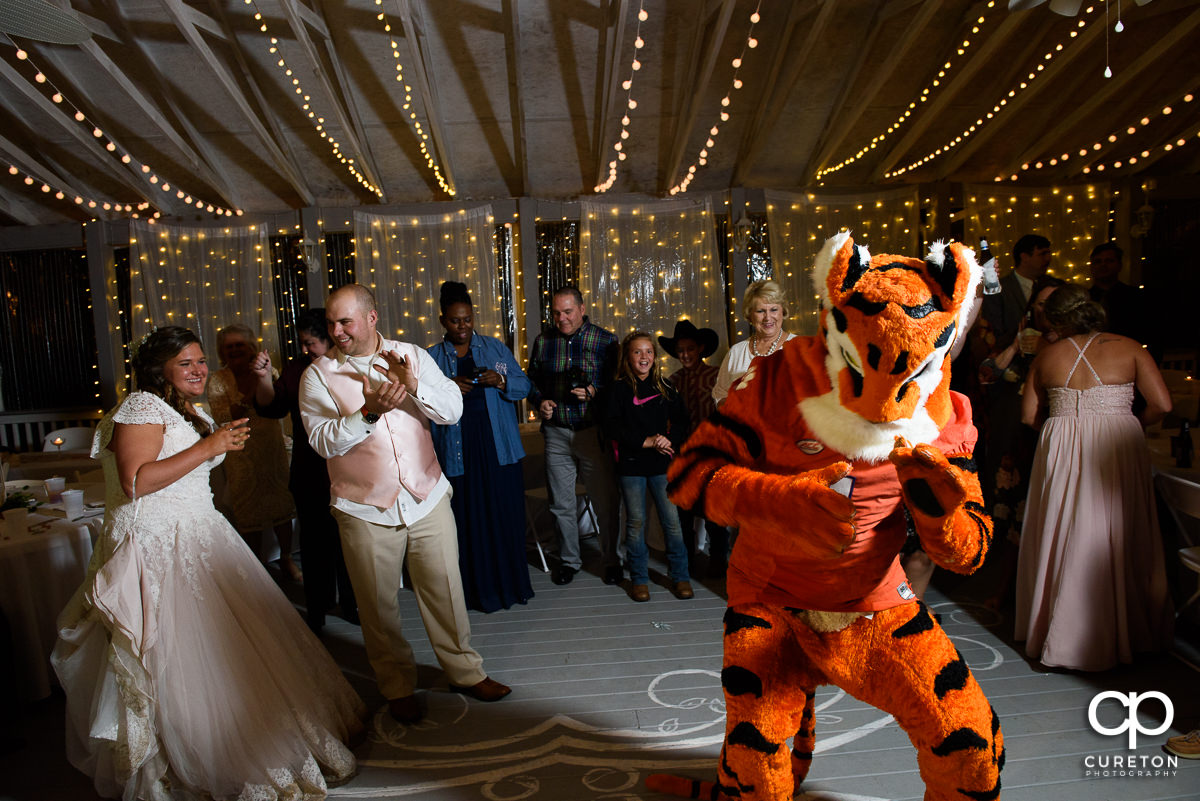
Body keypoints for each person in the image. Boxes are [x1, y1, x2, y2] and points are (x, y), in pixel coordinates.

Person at [52, 326, 364, 800]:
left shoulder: (187, 409)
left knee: (237, 649)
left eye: (200, 361)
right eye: (186, 363)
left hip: (201, 533)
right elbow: (135, 481)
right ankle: (193, 755)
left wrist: (212, 442)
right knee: (175, 657)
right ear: (160, 371)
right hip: (160, 545)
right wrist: (208, 447)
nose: (199, 370)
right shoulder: (140, 406)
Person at [299, 284, 510, 725]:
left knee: (446, 589)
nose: (336, 331)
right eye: (332, 323)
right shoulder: (317, 376)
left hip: (426, 495)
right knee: (378, 606)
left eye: (345, 321)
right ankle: (396, 687)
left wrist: (413, 385)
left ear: (371, 318)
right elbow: (321, 442)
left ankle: (465, 672)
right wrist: (368, 412)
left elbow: (451, 410)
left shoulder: (411, 354)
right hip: (364, 508)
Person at [1015, 284, 1173, 671]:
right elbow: (1163, 405)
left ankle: (1061, 629)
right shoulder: (1132, 347)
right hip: (1118, 444)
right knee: (1117, 528)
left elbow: (1028, 417)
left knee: (1066, 529)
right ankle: (1129, 631)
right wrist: (1127, 424)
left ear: (1054, 319)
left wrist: (1067, 433)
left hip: (1062, 444)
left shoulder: (1046, 355)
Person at [428, 281, 534, 612]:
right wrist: (446, 388)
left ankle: (511, 588)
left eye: (468, 319)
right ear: (443, 320)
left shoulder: (494, 349)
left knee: (504, 517)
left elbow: (524, 385)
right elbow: (421, 404)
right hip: (457, 453)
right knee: (466, 522)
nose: (463, 327)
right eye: (456, 320)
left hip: (498, 448)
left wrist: (501, 381)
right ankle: (474, 595)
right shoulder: (430, 357)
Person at [251, 308, 358, 632]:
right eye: (303, 343)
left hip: (350, 469)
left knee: (350, 544)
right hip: (310, 471)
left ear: (329, 340)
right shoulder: (298, 368)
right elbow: (273, 407)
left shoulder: (350, 366)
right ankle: (318, 607)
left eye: (311, 342)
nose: (306, 349)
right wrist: (263, 378)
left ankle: (354, 606)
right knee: (314, 547)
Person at [976, 275, 1065, 608]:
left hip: (1058, 436)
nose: (1046, 311)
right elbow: (987, 372)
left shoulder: (1071, 347)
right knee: (1015, 514)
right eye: (1040, 304)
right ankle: (1005, 589)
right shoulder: (1025, 340)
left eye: (1052, 304)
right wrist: (1016, 341)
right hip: (1022, 437)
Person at [526, 286, 621, 586]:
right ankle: (569, 561)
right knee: (561, 504)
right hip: (556, 432)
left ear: (581, 308)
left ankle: (612, 560)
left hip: (592, 432)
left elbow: (618, 387)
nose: (562, 318)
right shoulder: (543, 342)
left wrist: (594, 391)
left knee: (604, 502)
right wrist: (539, 401)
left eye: (567, 312)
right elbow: (531, 382)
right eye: (556, 313)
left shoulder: (606, 341)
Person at [602, 331, 693, 602]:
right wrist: (647, 441)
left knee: (672, 523)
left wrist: (668, 438)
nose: (644, 357)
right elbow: (611, 427)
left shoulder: (666, 387)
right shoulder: (617, 390)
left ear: (655, 356)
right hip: (630, 465)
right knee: (636, 523)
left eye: (648, 352)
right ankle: (640, 579)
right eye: (637, 352)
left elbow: (682, 422)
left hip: (661, 465)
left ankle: (680, 576)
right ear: (628, 358)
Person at [206, 324, 301, 582]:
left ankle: (286, 558)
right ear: (222, 351)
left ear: (252, 348)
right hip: (240, 451)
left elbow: (276, 406)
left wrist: (263, 377)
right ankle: (256, 566)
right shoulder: (217, 380)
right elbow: (226, 417)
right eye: (229, 346)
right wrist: (251, 392)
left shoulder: (272, 372)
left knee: (281, 502)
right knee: (247, 507)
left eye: (240, 345)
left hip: (271, 447)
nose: (235, 350)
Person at [659, 319, 728, 577]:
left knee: (714, 512)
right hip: (682, 455)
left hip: (713, 454)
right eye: (680, 351)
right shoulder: (671, 381)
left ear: (700, 348)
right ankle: (688, 559)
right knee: (684, 512)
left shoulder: (716, 375)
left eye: (689, 349)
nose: (685, 355)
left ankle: (719, 561)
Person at [712, 280, 796, 407]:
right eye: (760, 311)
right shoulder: (736, 352)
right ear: (750, 315)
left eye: (773, 309)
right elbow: (720, 395)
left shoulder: (800, 348)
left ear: (782, 311)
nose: (768, 317)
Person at [1088, 242, 1148, 344]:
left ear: (1120, 265)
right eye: (1098, 261)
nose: (1103, 265)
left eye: (1109, 261)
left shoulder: (1136, 297)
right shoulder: (1085, 299)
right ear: (1091, 266)